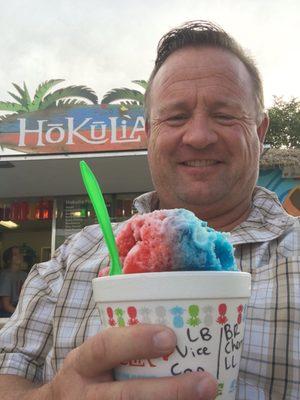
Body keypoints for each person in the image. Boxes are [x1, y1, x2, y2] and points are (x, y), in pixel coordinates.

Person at [0, 20, 299, 400]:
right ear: (148, 133)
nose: (198, 136)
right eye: (175, 117)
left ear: (259, 132)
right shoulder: (71, 258)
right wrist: (52, 396)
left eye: (225, 116)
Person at [0, 246, 28, 317]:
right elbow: (6, 305)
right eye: (15, 254)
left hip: (20, 308)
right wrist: (22, 315)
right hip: (6, 312)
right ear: (8, 260)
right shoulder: (6, 276)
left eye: (20, 253)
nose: (20, 256)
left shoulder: (24, 275)